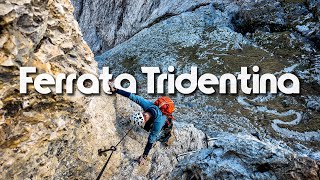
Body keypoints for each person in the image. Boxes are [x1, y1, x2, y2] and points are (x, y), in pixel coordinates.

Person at [108, 81, 174, 165]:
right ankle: (149, 127)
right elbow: (132, 96)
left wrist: (144, 156)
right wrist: (116, 90)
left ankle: (168, 134)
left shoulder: (159, 122)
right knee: (147, 128)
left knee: (163, 128)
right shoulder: (146, 104)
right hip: (154, 115)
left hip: (165, 117)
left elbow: (152, 138)